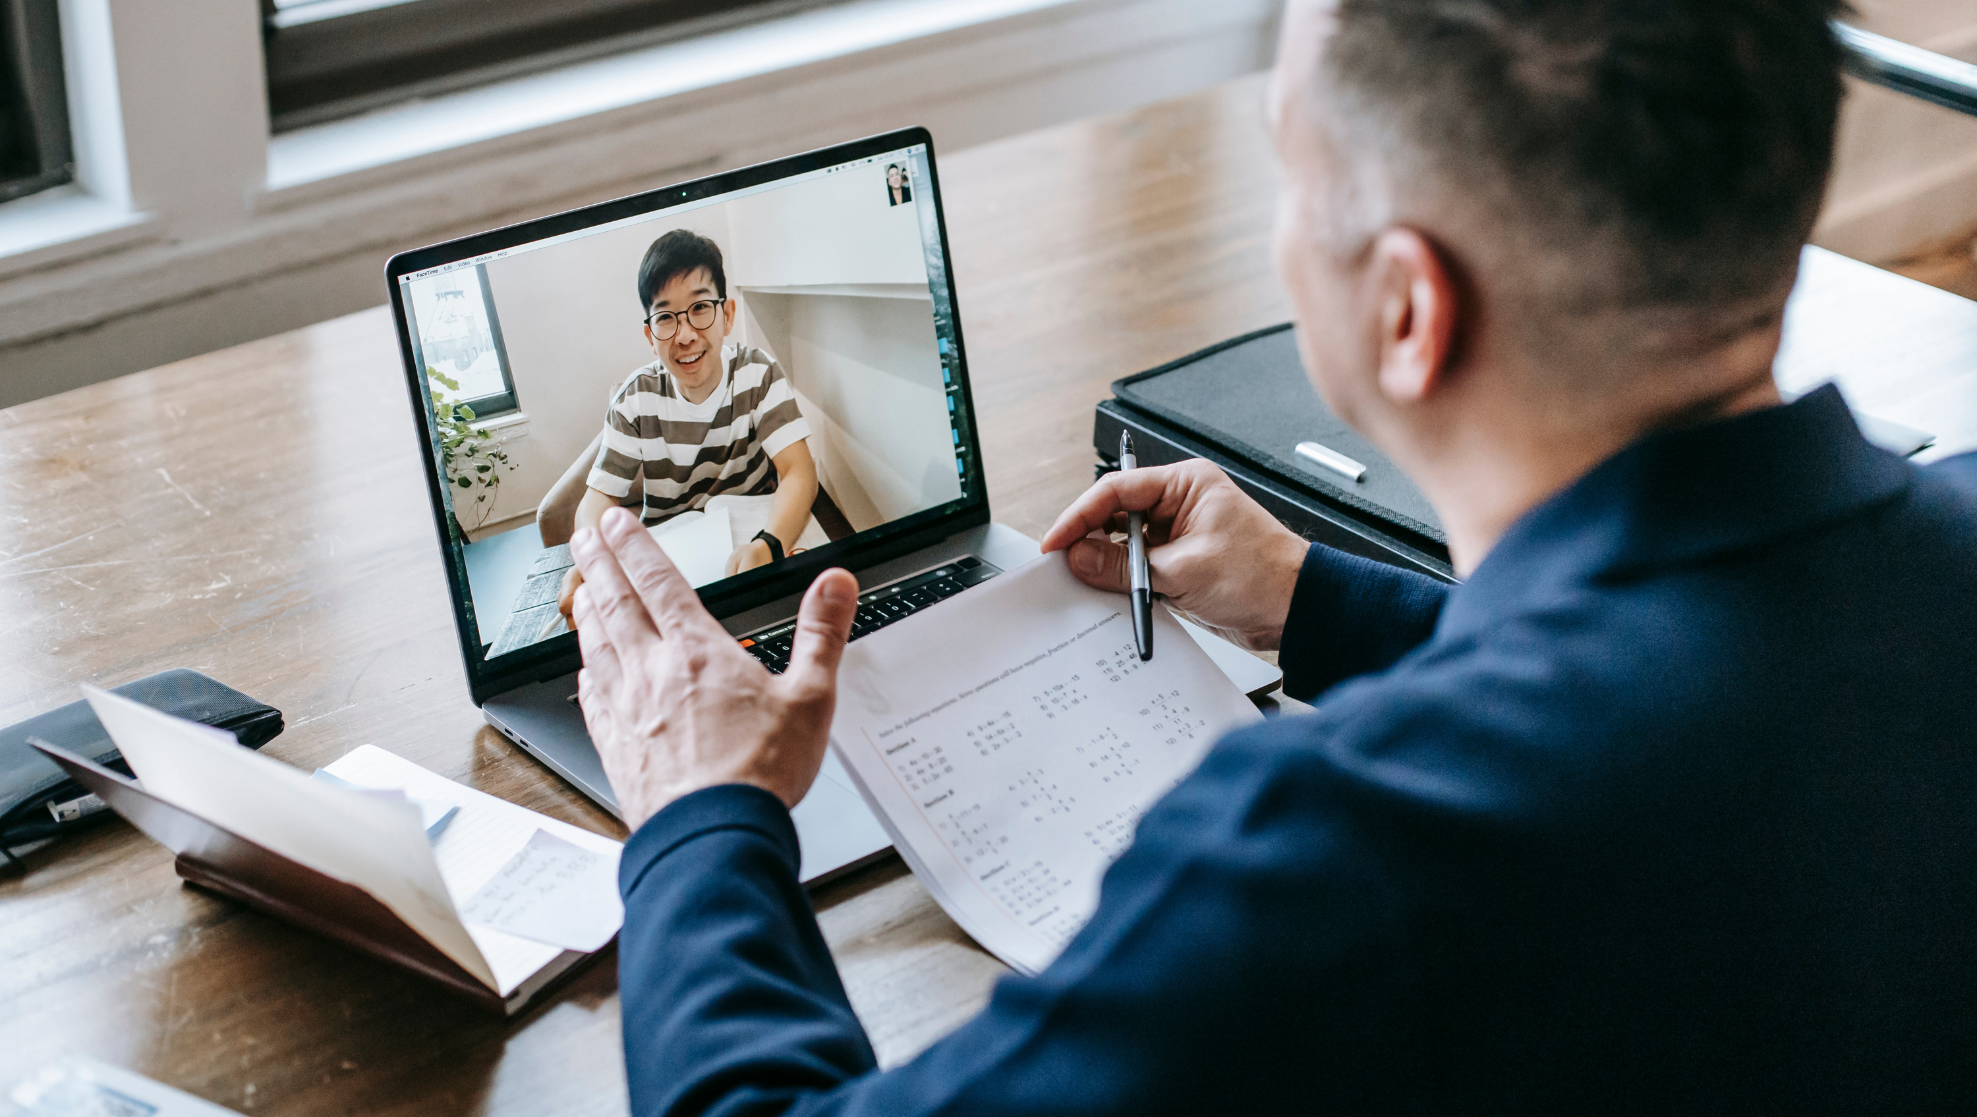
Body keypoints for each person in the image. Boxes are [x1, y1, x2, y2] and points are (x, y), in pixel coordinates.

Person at [567, 0, 1977, 1111]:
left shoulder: (1341, 860)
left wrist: (699, 811)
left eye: (1289, 166)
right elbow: (1709, 679)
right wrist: (1317, 603)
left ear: (1407, 309)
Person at [558, 229, 817, 618]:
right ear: (650, 334)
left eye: (700, 308)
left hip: (754, 554)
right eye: (665, 317)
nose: (685, 335)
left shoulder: (757, 373)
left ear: (727, 315)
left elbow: (799, 471)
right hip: (672, 572)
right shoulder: (634, 399)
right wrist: (592, 557)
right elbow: (599, 498)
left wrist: (770, 544)